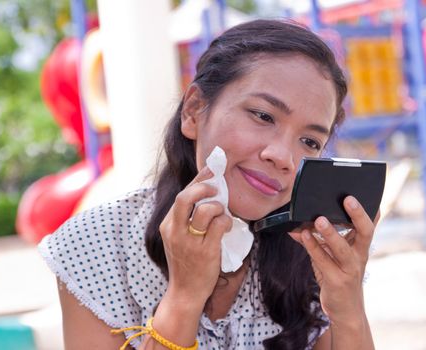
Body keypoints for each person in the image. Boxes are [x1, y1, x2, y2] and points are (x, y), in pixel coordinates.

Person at [39, 19, 377, 350]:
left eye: (309, 142)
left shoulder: (313, 251)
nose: (283, 156)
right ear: (194, 110)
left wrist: (348, 309)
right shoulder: (95, 245)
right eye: (263, 115)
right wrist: (184, 298)